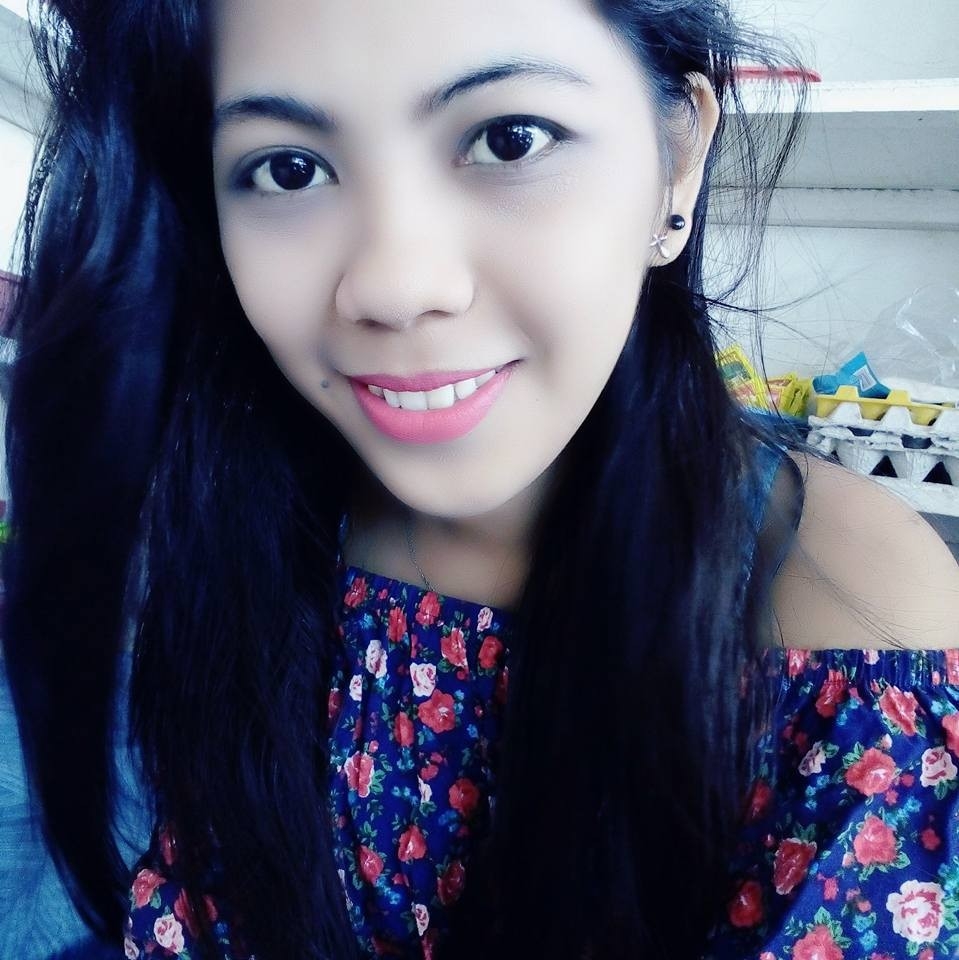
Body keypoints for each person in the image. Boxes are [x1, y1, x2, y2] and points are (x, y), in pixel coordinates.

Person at [4, 1, 959, 958]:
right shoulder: (246, 504)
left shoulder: (853, 612)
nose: (392, 285)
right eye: (287, 168)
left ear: (675, 158)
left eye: (510, 139)